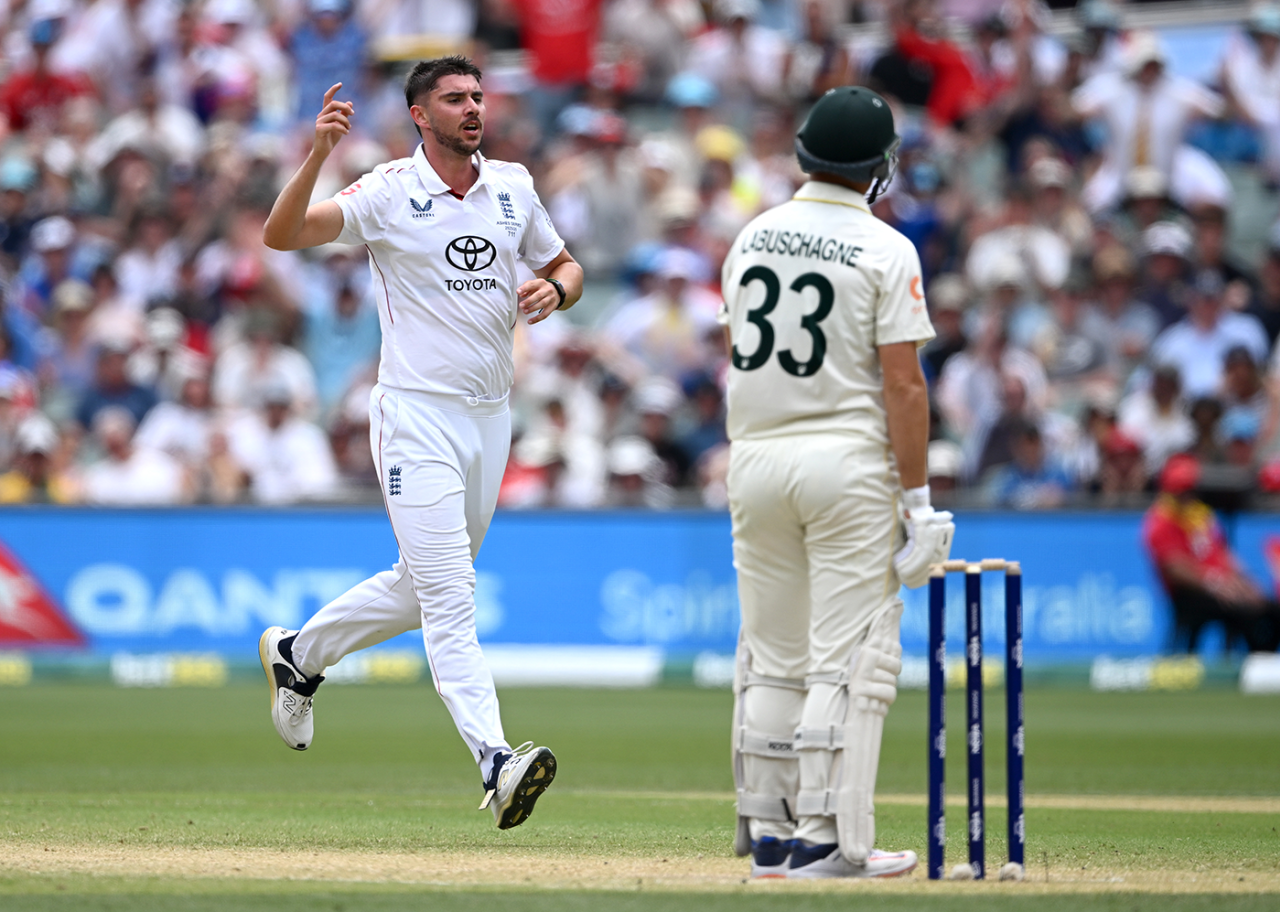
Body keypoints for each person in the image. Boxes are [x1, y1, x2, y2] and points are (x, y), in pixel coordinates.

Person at [257, 57, 581, 830]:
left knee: (424, 582)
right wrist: (316, 156)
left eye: (477, 96)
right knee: (450, 596)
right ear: (420, 115)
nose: (472, 108)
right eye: (454, 100)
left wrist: (556, 290)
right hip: (415, 419)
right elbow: (283, 235)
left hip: (490, 419)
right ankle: (496, 759)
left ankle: (299, 657)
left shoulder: (513, 187)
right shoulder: (387, 191)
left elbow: (565, 264)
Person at [718, 86, 953, 880]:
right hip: (843, 463)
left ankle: (773, 840)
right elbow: (905, 386)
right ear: (881, 170)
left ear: (803, 155)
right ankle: (827, 840)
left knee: (774, 658)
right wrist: (917, 502)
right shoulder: (886, 248)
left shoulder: (752, 236)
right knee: (846, 661)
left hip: (752, 462)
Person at [1142, 454, 1280, 653]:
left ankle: (1264, 663)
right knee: (1245, 612)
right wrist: (1216, 584)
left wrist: (1245, 582)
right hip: (1191, 594)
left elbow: (1222, 554)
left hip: (1221, 584)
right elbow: (1175, 568)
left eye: (1190, 489)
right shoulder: (1160, 521)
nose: (1187, 496)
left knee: (1271, 609)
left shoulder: (1202, 515)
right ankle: (1252, 661)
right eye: (1182, 490)